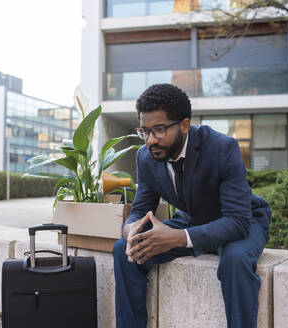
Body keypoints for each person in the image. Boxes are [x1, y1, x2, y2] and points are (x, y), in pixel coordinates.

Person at [112, 83, 271, 328]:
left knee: (235, 259)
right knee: (125, 250)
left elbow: (237, 221)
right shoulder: (145, 156)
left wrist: (178, 237)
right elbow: (141, 208)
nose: (151, 140)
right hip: (191, 220)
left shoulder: (221, 148)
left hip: (241, 221)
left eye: (160, 130)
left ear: (184, 125)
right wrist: (130, 229)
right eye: (144, 131)